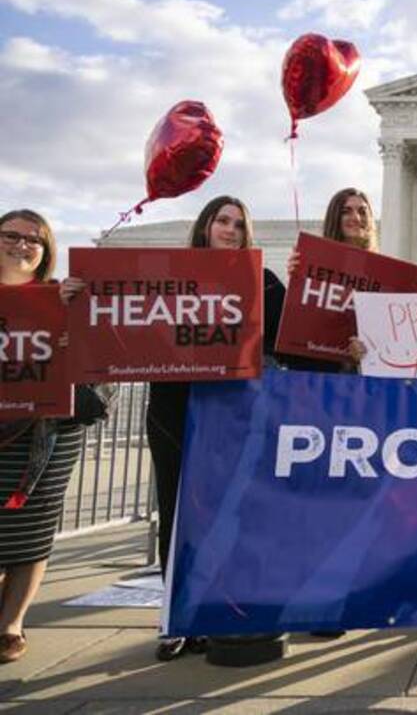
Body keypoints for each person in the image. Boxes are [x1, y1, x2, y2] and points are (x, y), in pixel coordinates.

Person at [65, 196, 285, 661]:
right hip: (174, 408)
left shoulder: (262, 281)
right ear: (205, 226)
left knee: (230, 515)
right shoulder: (168, 277)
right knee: (177, 512)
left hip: (234, 414)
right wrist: (69, 301)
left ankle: (221, 611)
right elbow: (115, 324)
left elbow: (292, 335)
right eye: (222, 221)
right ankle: (178, 618)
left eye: (239, 224)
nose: (230, 230)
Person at [0, 210, 109, 664]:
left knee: (31, 531)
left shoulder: (62, 298)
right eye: (11, 236)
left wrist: (71, 331)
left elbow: (99, 364)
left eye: (34, 240)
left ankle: (11, 623)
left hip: (47, 434)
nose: (23, 246)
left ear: (46, 251)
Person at [285, 188, 379, 373]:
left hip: (364, 376)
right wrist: (296, 281)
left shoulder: (383, 273)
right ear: (335, 217)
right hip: (320, 373)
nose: (356, 218)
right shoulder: (312, 263)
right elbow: (303, 325)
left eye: (362, 211)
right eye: (346, 211)